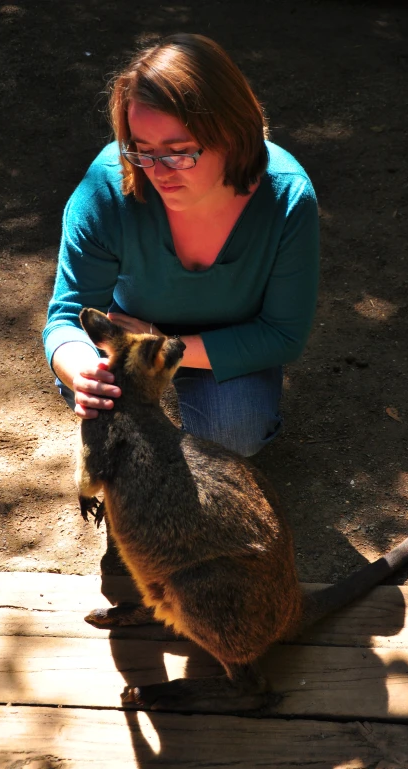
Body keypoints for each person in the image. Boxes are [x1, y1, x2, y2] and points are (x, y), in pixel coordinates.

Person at [43, 33, 320, 457]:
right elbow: (65, 317)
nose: (158, 171)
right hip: (128, 339)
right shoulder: (104, 190)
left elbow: (283, 335)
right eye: (142, 150)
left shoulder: (287, 197)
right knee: (115, 423)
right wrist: (82, 371)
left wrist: (156, 345)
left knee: (234, 435)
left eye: (179, 152)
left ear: (231, 133)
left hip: (223, 338)